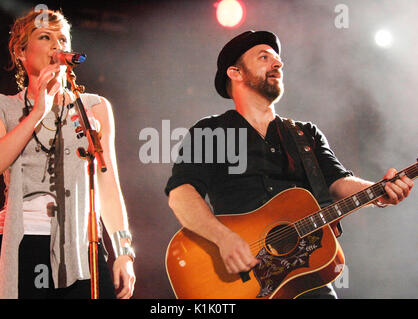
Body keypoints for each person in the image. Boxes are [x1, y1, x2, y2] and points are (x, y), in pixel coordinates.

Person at [165, 30, 414, 298]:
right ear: (236, 73)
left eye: (278, 59)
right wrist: (223, 238)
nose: (278, 64)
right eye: (264, 57)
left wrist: (379, 192)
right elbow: (181, 195)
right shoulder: (210, 132)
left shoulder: (305, 134)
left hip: (308, 278)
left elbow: (338, 183)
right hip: (242, 283)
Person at [0, 8, 135, 299]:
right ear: (21, 53)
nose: (56, 45)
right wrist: (37, 112)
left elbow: (108, 184)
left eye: (62, 38)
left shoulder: (94, 108)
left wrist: (123, 250)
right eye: (45, 36)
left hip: (81, 242)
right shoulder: (1, 106)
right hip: (22, 242)